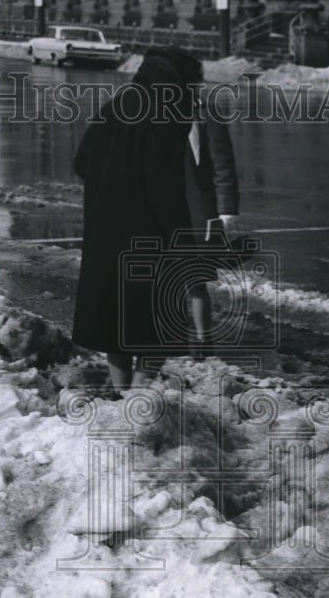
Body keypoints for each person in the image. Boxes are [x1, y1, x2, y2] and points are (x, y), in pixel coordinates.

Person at [71, 47, 202, 392]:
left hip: (104, 227)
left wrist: (109, 187)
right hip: (147, 231)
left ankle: (121, 393)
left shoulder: (118, 102)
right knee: (155, 327)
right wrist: (181, 238)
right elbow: (164, 185)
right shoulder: (172, 109)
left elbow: (81, 162)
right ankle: (139, 397)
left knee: (115, 321)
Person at [183, 85, 241, 356]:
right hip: (160, 208)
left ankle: (202, 341)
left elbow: (224, 166)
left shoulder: (206, 114)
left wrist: (226, 211)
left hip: (196, 212)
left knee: (195, 280)